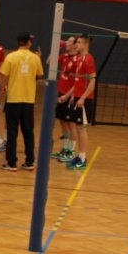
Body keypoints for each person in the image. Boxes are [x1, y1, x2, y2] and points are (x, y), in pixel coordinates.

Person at [0, 33, 44, 172]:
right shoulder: (35, 58)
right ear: (29, 42)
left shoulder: (10, 57)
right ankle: (30, 161)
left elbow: (4, 77)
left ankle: (11, 163)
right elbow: (39, 75)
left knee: (12, 132)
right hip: (28, 100)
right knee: (28, 132)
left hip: (13, 99)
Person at [58, 35, 96, 170]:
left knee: (81, 128)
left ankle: (83, 158)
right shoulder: (79, 59)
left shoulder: (88, 59)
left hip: (84, 99)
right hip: (77, 97)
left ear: (85, 44)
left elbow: (93, 81)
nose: (76, 45)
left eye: (79, 43)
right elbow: (77, 82)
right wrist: (69, 96)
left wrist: (83, 97)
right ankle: (79, 156)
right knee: (77, 127)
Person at [51, 36, 79, 162]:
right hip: (61, 93)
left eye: (69, 41)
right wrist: (56, 48)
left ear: (75, 45)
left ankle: (71, 151)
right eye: (66, 40)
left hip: (69, 96)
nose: (66, 42)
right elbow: (49, 62)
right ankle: (65, 149)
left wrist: (68, 95)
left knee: (71, 123)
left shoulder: (77, 60)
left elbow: (78, 82)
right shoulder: (65, 56)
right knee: (62, 121)